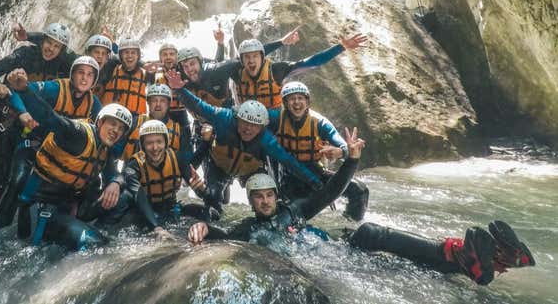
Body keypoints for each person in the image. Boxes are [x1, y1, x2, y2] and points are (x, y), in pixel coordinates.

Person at [186, 130, 535, 287]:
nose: (263, 202)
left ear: (276, 197)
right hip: (332, 266)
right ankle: (462, 263)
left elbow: (331, 191)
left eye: (267, 196)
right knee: (400, 265)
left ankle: (463, 257)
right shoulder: (248, 228)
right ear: (250, 202)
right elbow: (225, 234)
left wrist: (351, 160)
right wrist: (203, 227)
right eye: (257, 198)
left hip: (337, 252)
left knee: (372, 235)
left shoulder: (293, 211)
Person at [165, 70, 323, 215]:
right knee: (213, 201)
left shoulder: (266, 140)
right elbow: (199, 106)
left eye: (254, 126)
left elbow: (290, 162)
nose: (248, 129)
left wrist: (316, 183)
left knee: (266, 202)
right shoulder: (224, 118)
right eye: (244, 123)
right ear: (237, 119)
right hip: (219, 167)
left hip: (249, 171)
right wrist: (179, 89)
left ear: (261, 127)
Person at [12, 93, 133, 249]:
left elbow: (117, 174)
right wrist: (24, 89)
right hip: (44, 209)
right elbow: (50, 117)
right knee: (94, 244)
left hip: (69, 206)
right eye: (112, 124)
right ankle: (85, 237)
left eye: (121, 128)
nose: (116, 131)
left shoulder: (104, 149)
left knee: (125, 197)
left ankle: (96, 230)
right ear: (100, 122)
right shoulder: (78, 134)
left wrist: (115, 182)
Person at [0, 56, 103, 228]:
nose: (84, 78)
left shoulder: (94, 104)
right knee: (17, 181)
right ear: (72, 75)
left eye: (90, 75)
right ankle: (0, 227)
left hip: (61, 156)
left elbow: (100, 135)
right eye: (80, 73)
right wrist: (23, 112)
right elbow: (20, 91)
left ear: (94, 80)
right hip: (34, 145)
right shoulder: (55, 88)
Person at [0, 22, 76, 210]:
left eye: (57, 46)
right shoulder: (25, 55)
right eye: (48, 42)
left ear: (62, 50)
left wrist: (29, 35)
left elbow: (84, 61)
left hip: (35, 128)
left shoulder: (65, 65)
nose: (51, 49)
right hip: (8, 123)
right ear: (42, 41)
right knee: (2, 176)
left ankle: (14, 219)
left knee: (22, 177)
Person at [268, 81, 368, 221]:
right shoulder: (276, 118)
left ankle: (351, 224)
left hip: (315, 171)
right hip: (287, 177)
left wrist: (341, 152)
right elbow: (256, 118)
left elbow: (343, 146)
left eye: (300, 98)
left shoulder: (320, 123)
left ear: (307, 101)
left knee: (360, 190)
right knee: (294, 214)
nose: (296, 102)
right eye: (292, 98)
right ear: (285, 102)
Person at [110, 120, 215, 238]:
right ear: (142, 146)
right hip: (145, 213)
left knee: (211, 213)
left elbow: (208, 198)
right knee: (126, 223)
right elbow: (140, 199)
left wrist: (202, 190)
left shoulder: (177, 158)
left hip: (171, 208)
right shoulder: (134, 166)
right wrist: (157, 228)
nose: (155, 148)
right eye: (149, 143)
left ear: (166, 143)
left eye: (159, 142)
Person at [233, 33, 368, 109]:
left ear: (262, 58)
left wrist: (341, 47)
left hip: (274, 117)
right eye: (247, 57)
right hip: (247, 119)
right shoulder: (234, 70)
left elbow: (312, 62)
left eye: (255, 56)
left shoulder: (276, 70)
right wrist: (281, 42)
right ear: (241, 60)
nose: (251, 61)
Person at [115, 84, 193, 163]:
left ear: (169, 103)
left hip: (167, 175)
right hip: (132, 173)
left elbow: (188, 163)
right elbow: (114, 152)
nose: (158, 104)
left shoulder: (179, 130)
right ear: (148, 103)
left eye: (162, 101)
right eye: (154, 100)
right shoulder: (134, 122)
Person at [101, 36, 148, 117]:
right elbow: (114, 58)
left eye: (133, 53)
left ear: (138, 56)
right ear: (121, 56)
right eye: (126, 52)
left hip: (135, 121)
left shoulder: (146, 75)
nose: (129, 55)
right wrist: (112, 43)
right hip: (110, 116)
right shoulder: (110, 69)